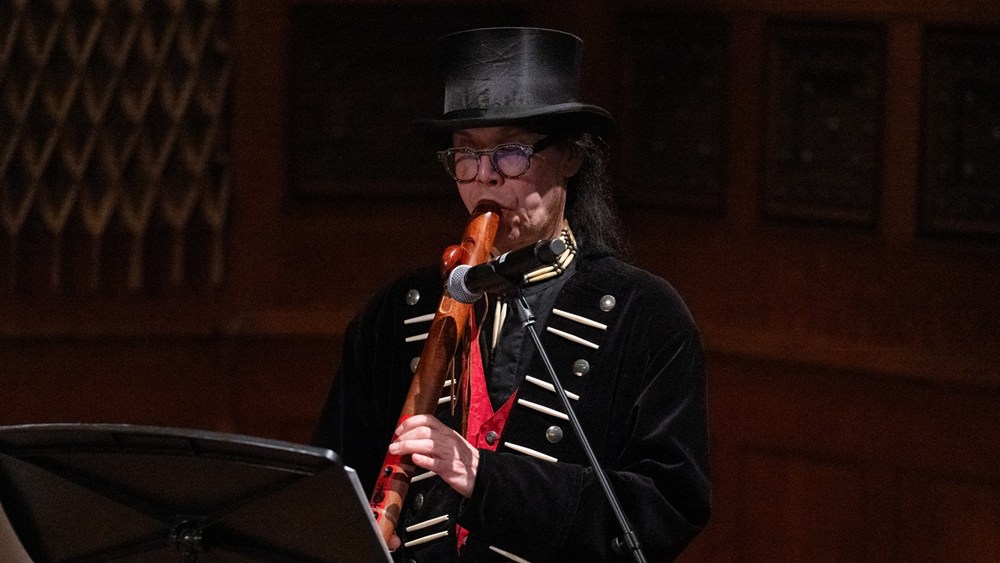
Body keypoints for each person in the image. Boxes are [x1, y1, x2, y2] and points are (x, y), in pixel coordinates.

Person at [312, 27, 710, 562]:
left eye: (511, 152)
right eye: (466, 154)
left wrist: (487, 478)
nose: (485, 179)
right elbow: (330, 485)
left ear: (570, 156)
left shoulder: (645, 316)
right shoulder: (397, 311)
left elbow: (664, 510)